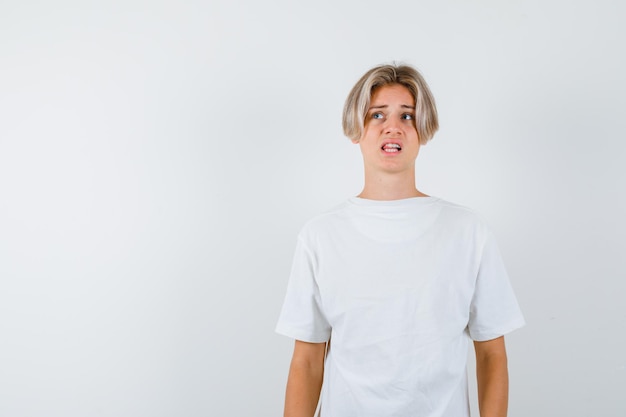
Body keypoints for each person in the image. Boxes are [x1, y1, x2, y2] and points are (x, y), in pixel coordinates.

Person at [275, 63, 525, 417]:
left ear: (423, 130)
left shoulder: (467, 231)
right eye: (377, 115)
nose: (393, 126)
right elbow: (307, 361)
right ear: (355, 130)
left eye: (407, 116)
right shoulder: (320, 236)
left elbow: (491, 353)